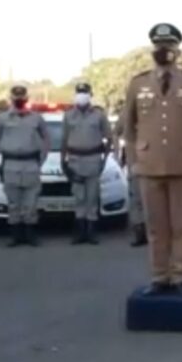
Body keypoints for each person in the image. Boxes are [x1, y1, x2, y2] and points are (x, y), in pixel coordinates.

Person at [122, 23, 182, 294]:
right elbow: (128, 128)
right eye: (159, 46)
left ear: (178, 49)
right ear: (152, 49)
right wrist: (133, 160)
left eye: (169, 46)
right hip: (149, 165)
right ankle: (158, 277)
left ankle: (179, 278)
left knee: (181, 227)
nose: (164, 51)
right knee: (155, 227)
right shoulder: (137, 84)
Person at [0, 85, 51, 247]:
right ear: (11, 99)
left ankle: (30, 235)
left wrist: (43, 158)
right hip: (10, 164)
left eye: (21, 98)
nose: (19, 100)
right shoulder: (1, 119)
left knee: (30, 203)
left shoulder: (36, 118)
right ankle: (16, 236)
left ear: (27, 98)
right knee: (13, 202)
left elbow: (46, 138)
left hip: (31, 163)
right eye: (16, 98)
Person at [61, 82, 112, 245]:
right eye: (79, 92)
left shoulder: (99, 115)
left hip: (93, 159)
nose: (82, 95)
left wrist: (105, 157)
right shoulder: (68, 115)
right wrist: (63, 160)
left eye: (85, 92)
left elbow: (109, 137)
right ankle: (79, 232)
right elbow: (64, 139)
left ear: (90, 95)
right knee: (79, 197)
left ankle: (91, 232)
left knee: (92, 197)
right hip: (75, 160)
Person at [116, 108, 148, 247]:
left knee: (150, 201)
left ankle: (149, 231)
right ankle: (140, 231)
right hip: (136, 164)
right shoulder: (126, 114)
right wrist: (119, 154)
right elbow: (116, 133)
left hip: (151, 164)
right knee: (137, 200)